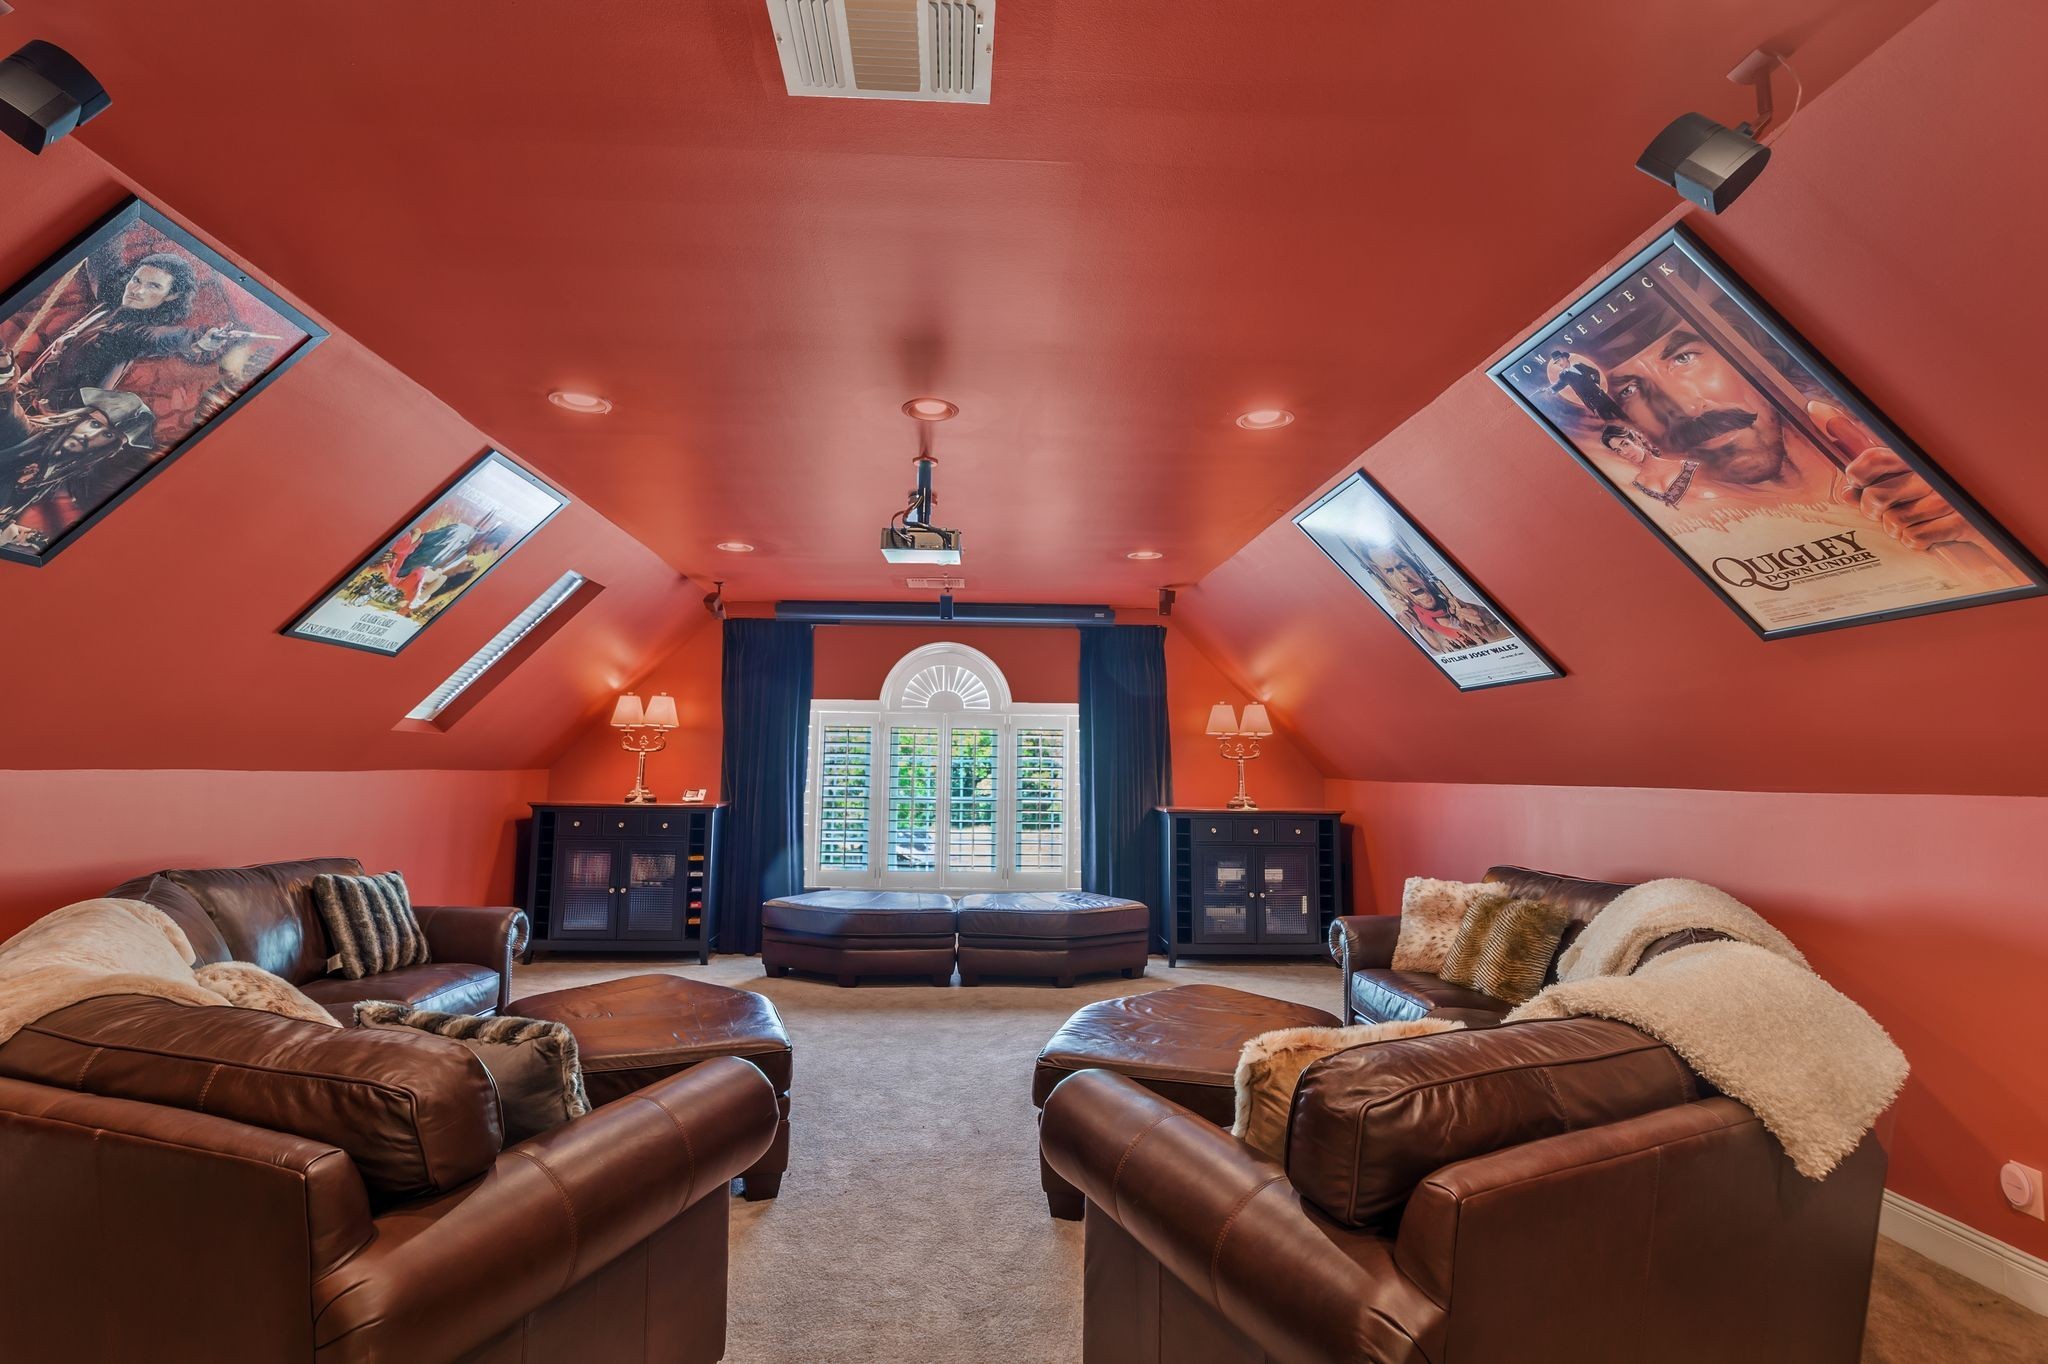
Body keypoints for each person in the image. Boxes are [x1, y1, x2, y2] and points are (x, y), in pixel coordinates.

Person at [0, 252, 234, 413]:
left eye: (154, 286)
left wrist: (198, 340)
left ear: (171, 296)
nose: (138, 290)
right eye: (136, 280)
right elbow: (103, 259)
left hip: (47, 419)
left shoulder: (135, 333)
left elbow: (163, 339)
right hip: (21, 393)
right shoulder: (111, 303)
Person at [0, 387, 157, 552]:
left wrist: (31, 537)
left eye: (108, 435)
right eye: (94, 423)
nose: (89, 436)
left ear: (110, 450)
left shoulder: (53, 474)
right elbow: (6, 402)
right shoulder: (23, 432)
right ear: (79, 418)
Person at [1363, 542, 1512, 654]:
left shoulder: (1465, 606)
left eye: (1402, 566)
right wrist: (1415, 625)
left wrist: (1487, 621)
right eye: (1389, 571)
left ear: (1417, 569)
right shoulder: (1406, 624)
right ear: (1386, 584)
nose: (1404, 578)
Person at [1599, 423, 1699, 508]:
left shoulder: (1685, 466)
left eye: (1625, 444)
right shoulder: (1638, 484)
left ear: (1636, 441)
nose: (1625, 453)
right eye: (1618, 451)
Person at [1546, 348, 1625, 422]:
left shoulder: (1579, 366)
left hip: (1602, 395)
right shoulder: (1564, 375)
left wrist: (1596, 383)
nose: (1559, 364)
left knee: (1622, 415)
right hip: (1593, 403)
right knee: (1612, 423)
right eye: (1556, 363)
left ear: (1565, 358)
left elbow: (1594, 371)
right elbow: (1559, 385)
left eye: (1559, 360)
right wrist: (1550, 390)